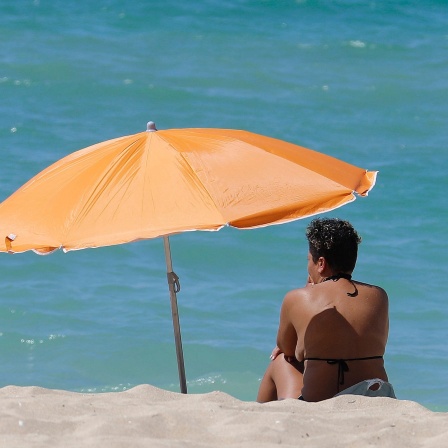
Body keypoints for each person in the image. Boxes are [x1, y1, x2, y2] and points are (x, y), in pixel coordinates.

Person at [257, 217, 395, 402]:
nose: (308, 266)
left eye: (309, 260)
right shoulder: (379, 296)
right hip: (377, 395)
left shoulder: (298, 298)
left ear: (320, 263)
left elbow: (289, 352)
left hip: (322, 402)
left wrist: (308, 292)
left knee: (279, 362)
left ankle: (260, 418)